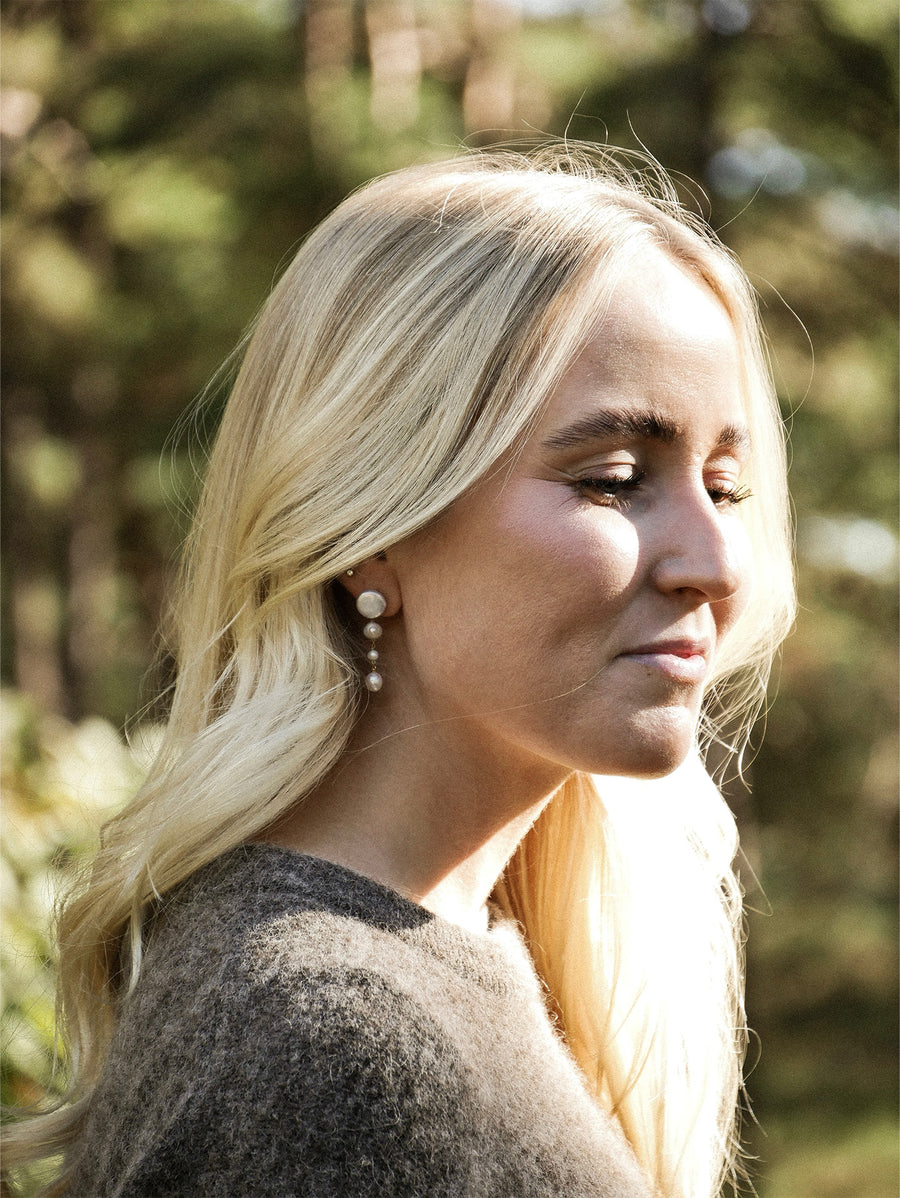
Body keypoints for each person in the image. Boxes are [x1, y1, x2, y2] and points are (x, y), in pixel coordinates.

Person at [4, 145, 795, 1198]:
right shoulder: (328, 1048)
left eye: (726, 486)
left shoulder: (401, 970)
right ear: (372, 528)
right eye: (614, 479)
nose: (715, 562)